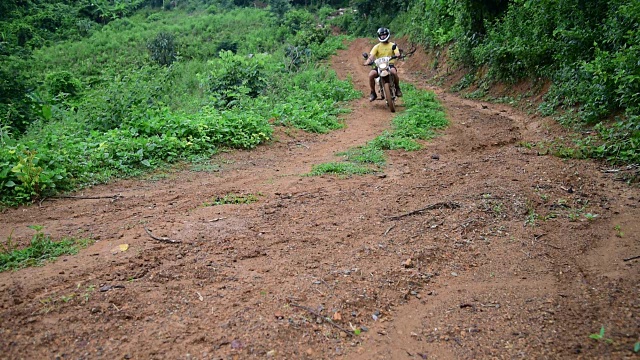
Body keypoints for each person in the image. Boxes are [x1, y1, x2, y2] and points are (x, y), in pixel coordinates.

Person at [363, 27, 402, 102]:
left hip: (389, 65)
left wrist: (397, 55)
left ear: (387, 35)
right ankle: (373, 92)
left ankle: (397, 88)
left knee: (394, 72)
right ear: (379, 36)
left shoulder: (393, 45)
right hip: (379, 66)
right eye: (381, 35)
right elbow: (371, 56)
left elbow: (397, 53)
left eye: (384, 35)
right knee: (371, 74)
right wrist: (367, 62)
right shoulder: (376, 46)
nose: (383, 36)